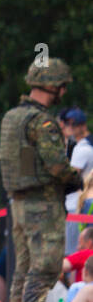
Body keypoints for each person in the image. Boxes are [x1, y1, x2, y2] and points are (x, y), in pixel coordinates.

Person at [0, 58, 82, 302]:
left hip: (20, 202)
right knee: (45, 267)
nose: (63, 90)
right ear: (52, 86)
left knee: (23, 268)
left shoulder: (14, 118)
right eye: (61, 85)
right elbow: (57, 165)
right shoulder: (42, 122)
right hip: (42, 205)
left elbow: (25, 163)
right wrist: (76, 179)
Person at [63, 108, 93, 252]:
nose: (69, 129)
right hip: (79, 205)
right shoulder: (82, 147)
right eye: (68, 125)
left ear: (82, 126)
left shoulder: (82, 149)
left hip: (76, 206)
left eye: (72, 125)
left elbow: (68, 178)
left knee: (73, 252)